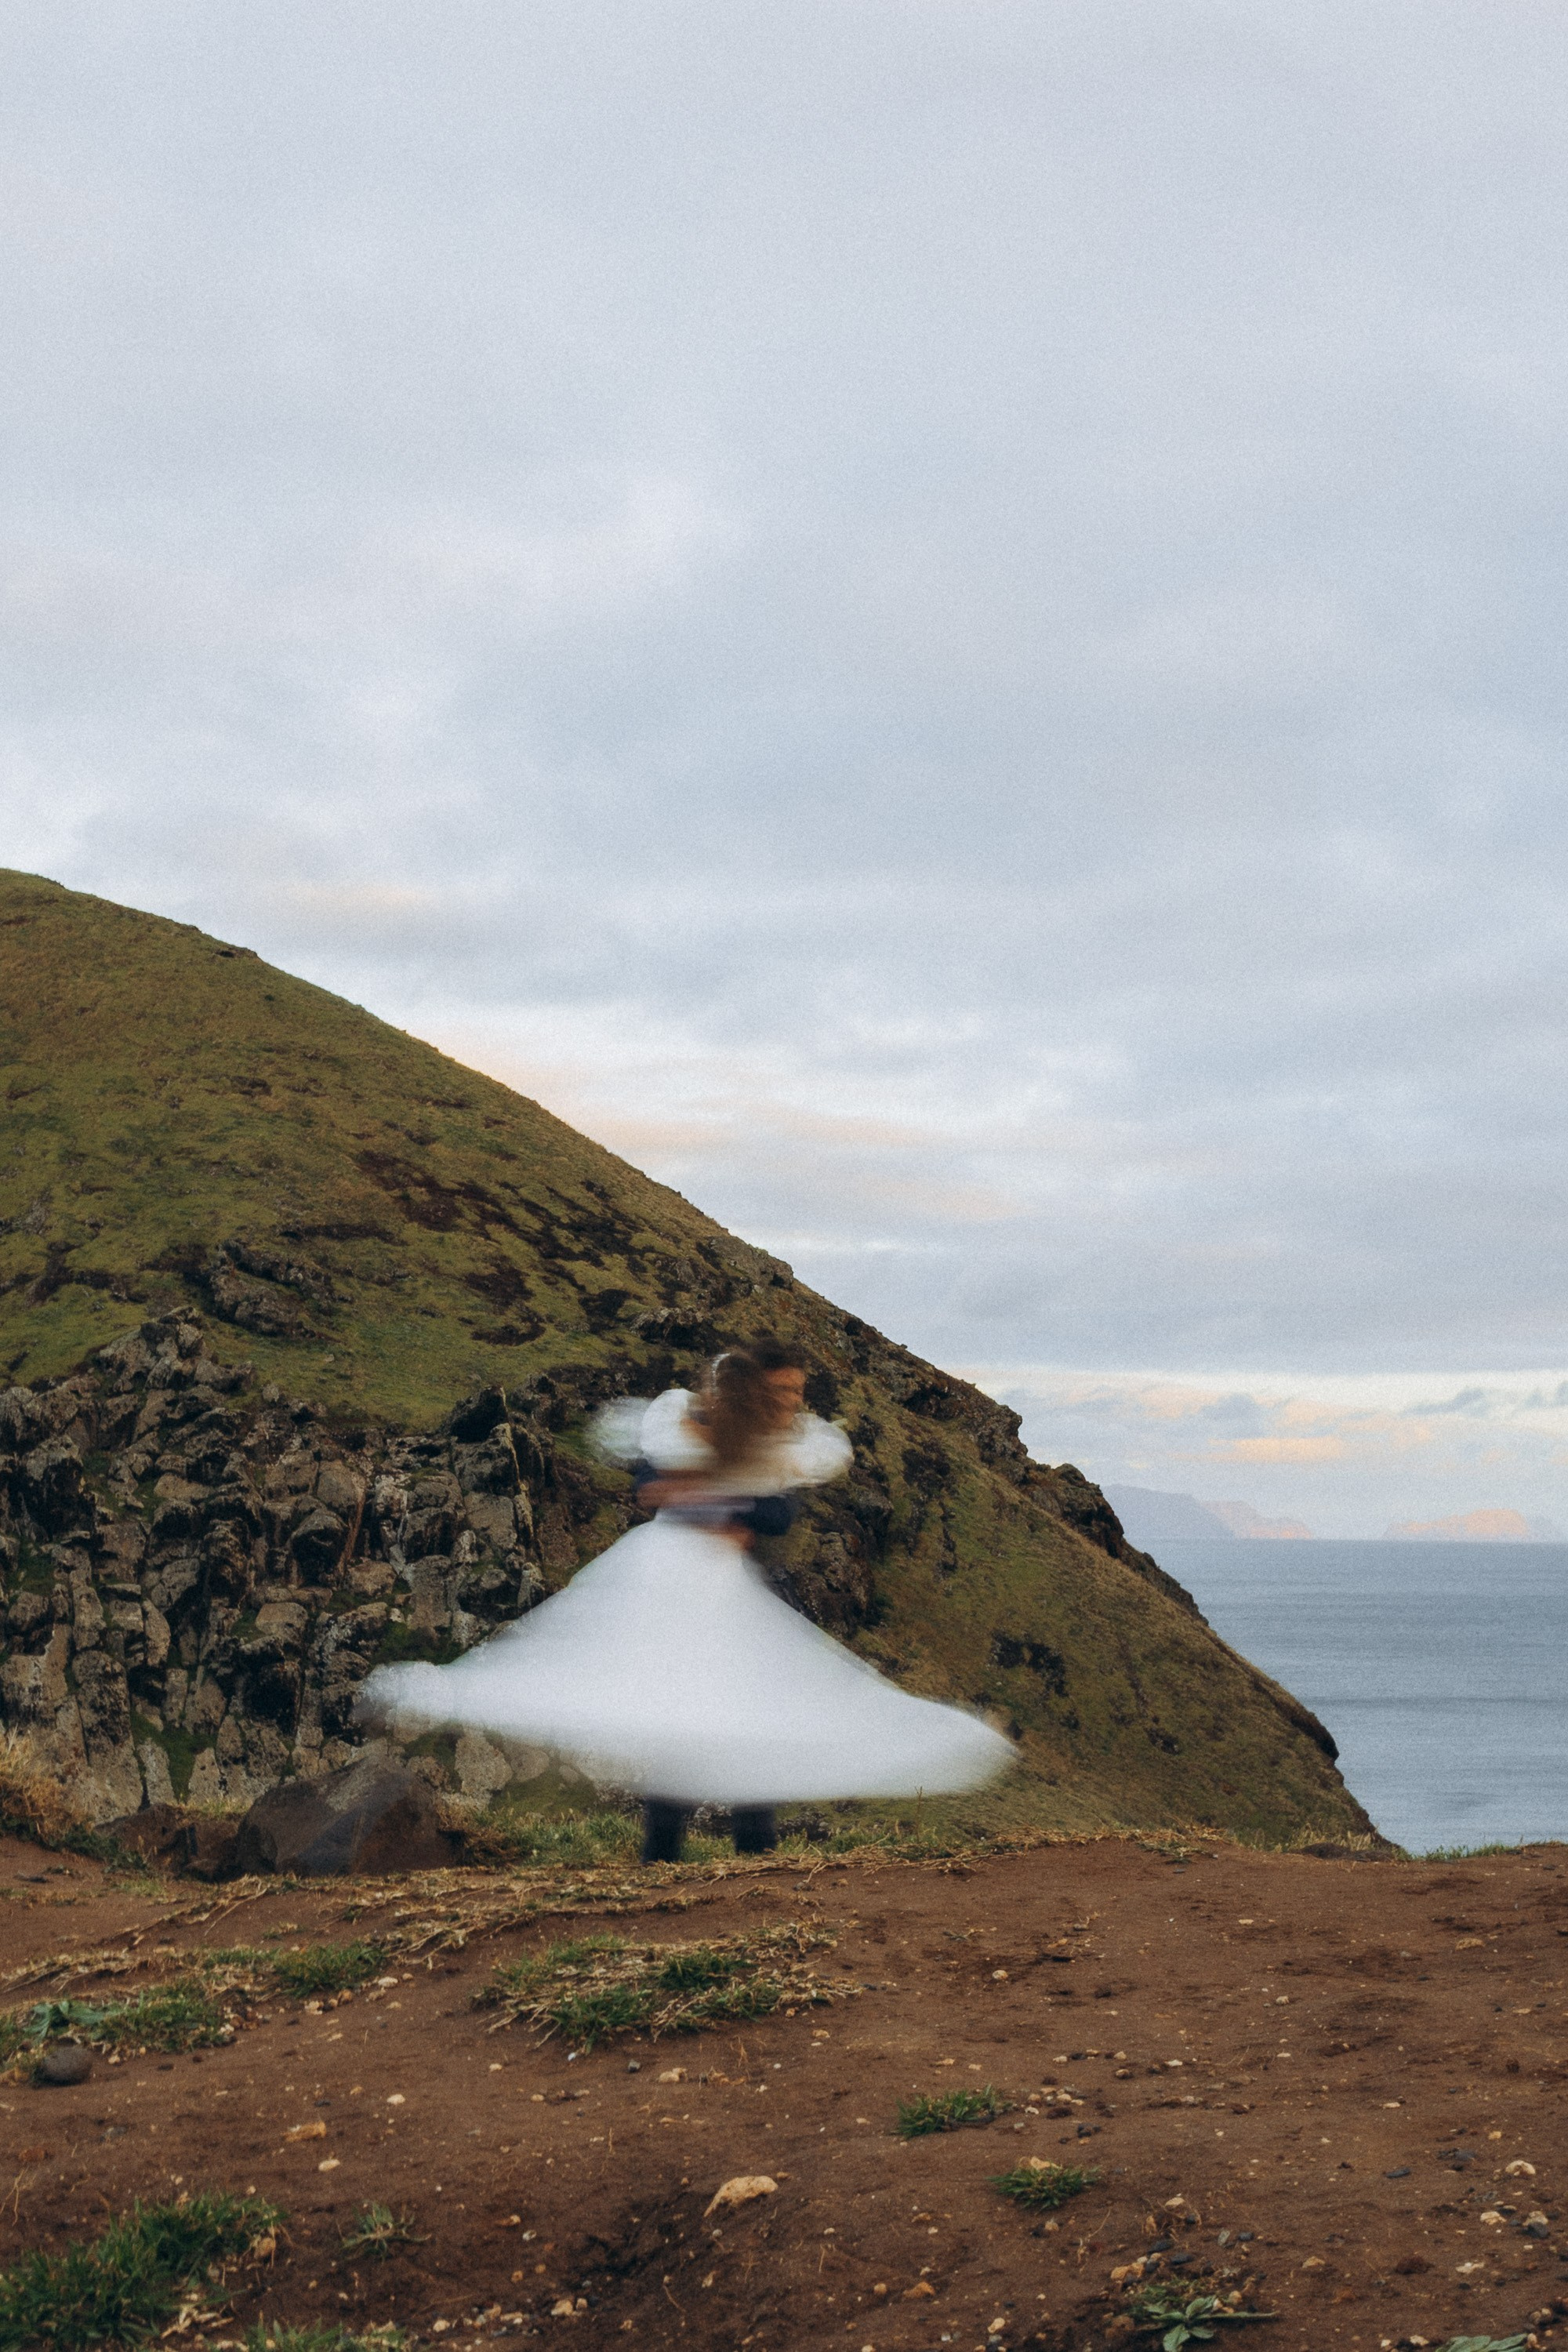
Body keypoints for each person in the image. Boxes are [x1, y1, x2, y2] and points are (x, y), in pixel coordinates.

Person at [354, 1340, 1013, 1863]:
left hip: (720, 1591)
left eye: (796, 1392)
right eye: (783, 1391)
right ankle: (681, 1854)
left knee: (734, 1714)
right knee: (679, 1709)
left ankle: (735, 1852)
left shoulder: (770, 1448)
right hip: (668, 1582)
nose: (792, 1402)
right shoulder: (690, 1428)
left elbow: (774, 1512)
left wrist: (727, 1510)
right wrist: (709, 1504)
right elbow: (651, 1486)